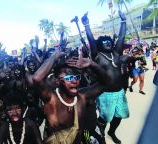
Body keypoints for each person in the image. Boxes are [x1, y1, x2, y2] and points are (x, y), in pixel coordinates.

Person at [32, 49, 112, 144]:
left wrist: (92, 64)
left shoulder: (82, 96)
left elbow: (107, 82)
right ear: (57, 82)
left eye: (77, 77)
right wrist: (53, 57)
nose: (75, 81)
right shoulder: (51, 99)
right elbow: (36, 79)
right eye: (69, 78)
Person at [82, 10, 128, 144]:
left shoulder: (117, 53)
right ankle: (100, 134)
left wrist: (123, 21)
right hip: (105, 93)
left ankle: (111, 132)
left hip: (120, 92)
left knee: (119, 116)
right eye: (105, 42)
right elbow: (91, 41)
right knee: (104, 118)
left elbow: (121, 37)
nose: (108, 42)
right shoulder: (98, 56)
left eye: (109, 41)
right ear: (100, 45)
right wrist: (86, 25)